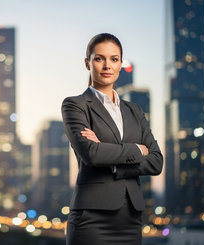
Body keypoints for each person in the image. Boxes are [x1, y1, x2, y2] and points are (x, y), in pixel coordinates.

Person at [61, 33, 163, 245]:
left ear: (120, 64)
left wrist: (114, 162)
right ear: (87, 63)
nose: (107, 65)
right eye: (99, 58)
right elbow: (92, 154)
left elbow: (156, 161)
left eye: (114, 59)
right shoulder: (76, 105)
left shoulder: (135, 110)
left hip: (131, 219)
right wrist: (137, 149)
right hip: (91, 219)